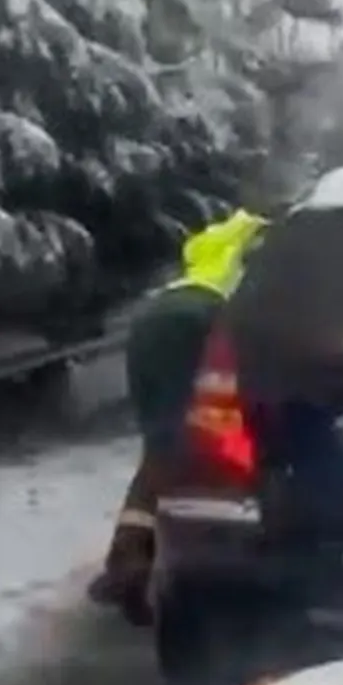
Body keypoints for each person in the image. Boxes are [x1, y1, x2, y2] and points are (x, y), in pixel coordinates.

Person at [86, 207, 271, 623]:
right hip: (199, 320)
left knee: (162, 446)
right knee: (194, 445)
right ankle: (147, 567)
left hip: (158, 316)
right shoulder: (271, 237)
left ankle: (126, 559)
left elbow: (195, 252)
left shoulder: (231, 229)